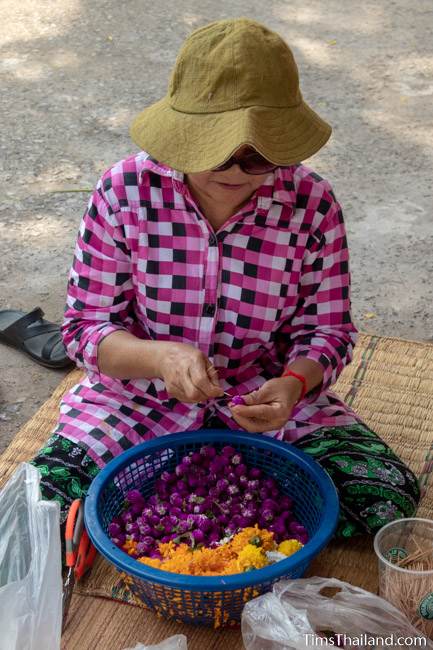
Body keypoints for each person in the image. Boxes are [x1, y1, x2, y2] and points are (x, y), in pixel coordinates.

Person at [32, 18, 419, 539]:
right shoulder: (125, 190)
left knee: (384, 497)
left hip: (261, 398)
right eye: (213, 148)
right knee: (40, 505)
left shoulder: (312, 204)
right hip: (137, 400)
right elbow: (85, 328)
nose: (235, 170)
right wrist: (160, 357)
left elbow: (326, 333)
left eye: (258, 155)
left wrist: (291, 385)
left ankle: (200, 489)